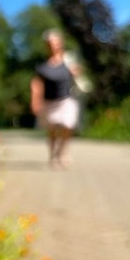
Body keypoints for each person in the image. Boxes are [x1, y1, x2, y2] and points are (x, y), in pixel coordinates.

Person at [30, 29, 80, 170]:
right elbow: (37, 84)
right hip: (49, 101)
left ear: (61, 43)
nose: (54, 45)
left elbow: (79, 77)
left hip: (67, 99)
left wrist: (76, 73)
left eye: (56, 42)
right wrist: (35, 101)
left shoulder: (69, 60)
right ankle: (53, 155)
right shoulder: (43, 66)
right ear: (47, 45)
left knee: (68, 125)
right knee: (52, 130)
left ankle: (62, 152)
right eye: (51, 43)